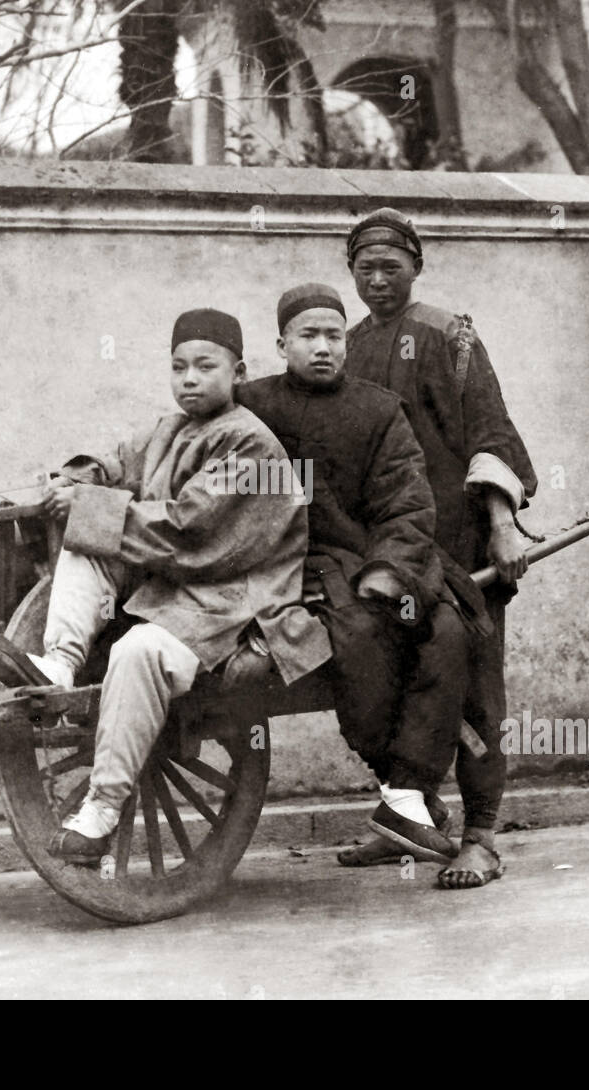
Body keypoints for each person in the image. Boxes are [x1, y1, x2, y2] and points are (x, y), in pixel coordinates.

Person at [0, 307, 331, 862]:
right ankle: (59, 664)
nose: (189, 379)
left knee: (138, 651)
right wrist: (75, 481)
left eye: (205, 366)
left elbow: (191, 528)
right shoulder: (171, 428)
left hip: (233, 600)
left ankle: (101, 808)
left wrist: (89, 507)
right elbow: (116, 463)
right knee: (84, 538)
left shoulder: (253, 445)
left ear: (239, 373)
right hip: (182, 584)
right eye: (178, 367)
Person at [341, 208, 538, 889]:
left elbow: (491, 431)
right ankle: (413, 817)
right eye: (365, 269)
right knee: (391, 683)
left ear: (417, 267)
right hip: (392, 549)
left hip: (459, 541)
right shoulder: (349, 345)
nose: (378, 280)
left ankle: (480, 837)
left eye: (391, 267)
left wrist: (502, 524)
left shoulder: (449, 335)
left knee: (475, 691)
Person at [237, 283, 466, 863]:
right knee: (361, 636)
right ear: (282, 344)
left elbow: (407, 502)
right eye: (308, 336)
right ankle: (404, 795)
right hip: (292, 565)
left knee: (448, 630)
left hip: (371, 560)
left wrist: (388, 569)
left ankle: (408, 792)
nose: (323, 347)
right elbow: (189, 448)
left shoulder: (379, 409)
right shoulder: (250, 405)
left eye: (334, 336)